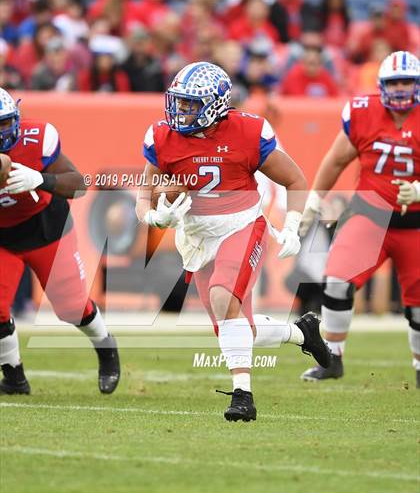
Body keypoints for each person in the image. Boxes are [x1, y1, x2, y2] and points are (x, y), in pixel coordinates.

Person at [135, 61, 331, 422]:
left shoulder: (247, 130)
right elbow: (143, 195)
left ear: (216, 104)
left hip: (241, 224)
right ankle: (303, 333)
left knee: (224, 299)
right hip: (196, 237)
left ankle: (243, 396)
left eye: (192, 103)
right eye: (180, 101)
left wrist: (291, 225)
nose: (182, 110)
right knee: (237, 325)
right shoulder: (163, 136)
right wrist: (154, 216)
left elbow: (295, 180)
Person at [298, 51, 420, 387]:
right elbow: (336, 160)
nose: (400, 88)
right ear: (382, 85)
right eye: (394, 82)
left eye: (406, 81)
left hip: (416, 227)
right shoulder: (364, 112)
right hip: (369, 216)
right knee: (336, 280)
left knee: (419, 308)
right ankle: (333, 359)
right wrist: (314, 201)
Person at [0, 88, 120, 395]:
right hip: (2, 237)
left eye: (4, 123)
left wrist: (42, 179)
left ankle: (106, 347)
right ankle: (14, 378)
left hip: (46, 229)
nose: (2, 133)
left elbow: (78, 185)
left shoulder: (37, 138)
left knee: (71, 308)